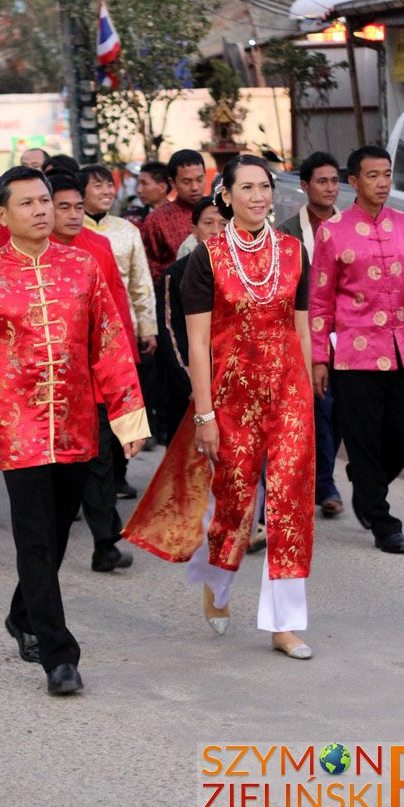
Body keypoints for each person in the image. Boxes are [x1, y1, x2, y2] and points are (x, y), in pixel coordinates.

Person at [0, 166, 148, 696]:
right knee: (34, 538)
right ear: (3, 214)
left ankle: (21, 614)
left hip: (78, 420)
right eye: (28, 203)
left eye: (45, 201)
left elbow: (109, 345)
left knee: (56, 535)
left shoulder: (82, 267)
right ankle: (60, 655)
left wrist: (128, 419)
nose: (40, 211)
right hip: (17, 426)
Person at [124, 155, 315, 659]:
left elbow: (301, 328)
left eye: (265, 187)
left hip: (289, 394)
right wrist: (205, 414)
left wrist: (311, 389)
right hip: (231, 400)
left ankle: (284, 624)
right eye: (246, 188)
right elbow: (199, 343)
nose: (259, 196)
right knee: (233, 503)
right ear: (225, 197)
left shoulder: (294, 252)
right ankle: (217, 583)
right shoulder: (205, 260)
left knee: (291, 504)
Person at [310, 145, 404, 555]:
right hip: (354, 354)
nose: (382, 182)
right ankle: (384, 523)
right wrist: (318, 356)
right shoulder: (332, 233)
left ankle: (366, 486)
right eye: (372, 175)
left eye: (387, 174)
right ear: (354, 182)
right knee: (363, 440)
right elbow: (320, 301)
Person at [48, 171, 138, 573]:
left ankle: (106, 542)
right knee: (59, 470)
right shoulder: (30, 251)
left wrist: (125, 363)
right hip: (46, 383)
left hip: (93, 379)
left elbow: (117, 310)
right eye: (61, 207)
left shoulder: (97, 247)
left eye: (77, 207)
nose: (71, 215)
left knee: (100, 460)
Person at [81, 163, 156, 499]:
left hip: (122, 329)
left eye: (109, 186)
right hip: (84, 332)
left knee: (122, 404)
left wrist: (147, 328)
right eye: (98, 186)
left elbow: (141, 283)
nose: (107, 192)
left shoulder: (127, 230)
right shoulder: (69, 231)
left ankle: (119, 474)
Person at [278, 151, 344, 517]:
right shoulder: (287, 232)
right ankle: (326, 485)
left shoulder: (352, 227)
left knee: (344, 412)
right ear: (305, 186)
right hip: (307, 334)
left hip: (352, 335)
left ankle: (327, 474)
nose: (330, 188)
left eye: (335, 181)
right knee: (321, 406)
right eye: (322, 181)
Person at [155, 196, 227, 444]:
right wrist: (191, 384)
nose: (216, 231)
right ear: (194, 229)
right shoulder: (175, 275)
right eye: (208, 223)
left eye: (224, 223)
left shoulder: (244, 271)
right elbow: (170, 332)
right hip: (187, 383)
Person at [141, 149, 207, 284]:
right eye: (187, 181)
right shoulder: (157, 220)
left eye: (199, 179)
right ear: (172, 183)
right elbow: (150, 269)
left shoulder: (219, 211)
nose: (195, 187)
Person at [123, 160, 171, 226]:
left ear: (162, 187)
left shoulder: (179, 217)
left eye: (144, 183)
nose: (138, 190)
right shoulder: (130, 218)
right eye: (138, 183)